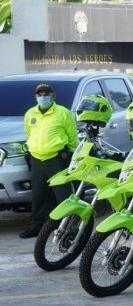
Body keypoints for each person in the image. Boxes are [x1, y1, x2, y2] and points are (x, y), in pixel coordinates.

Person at [19, 83, 78, 239]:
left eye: (46, 94)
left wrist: (67, 155)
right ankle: (36, 226)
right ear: (35, 97)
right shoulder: (30, 114)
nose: (43, 97)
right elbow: (29, 133)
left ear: (53, 96)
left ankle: (70, 227)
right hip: (37, 160)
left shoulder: (63, 113)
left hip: (56, 159)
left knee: (63, 195)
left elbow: (72, 136)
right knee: (38, 196)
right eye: (40, 94)